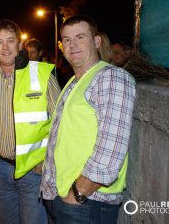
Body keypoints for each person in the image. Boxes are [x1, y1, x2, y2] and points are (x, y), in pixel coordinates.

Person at [40, 15, 136, 223]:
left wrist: (78, 193)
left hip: (87, 203)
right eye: (66, 39)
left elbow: (111, 150)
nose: (72, 44)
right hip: (65, 199)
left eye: (80, 37)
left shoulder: (111, 78)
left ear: (96, 41)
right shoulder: (75, 82)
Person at [0, 19, 61, 223]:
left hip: (33, 171)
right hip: (1, 169)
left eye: (10, 41)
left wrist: (45, 162)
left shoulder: (41, 74)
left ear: (19, 45)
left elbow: (61, 122)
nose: (5, 47)